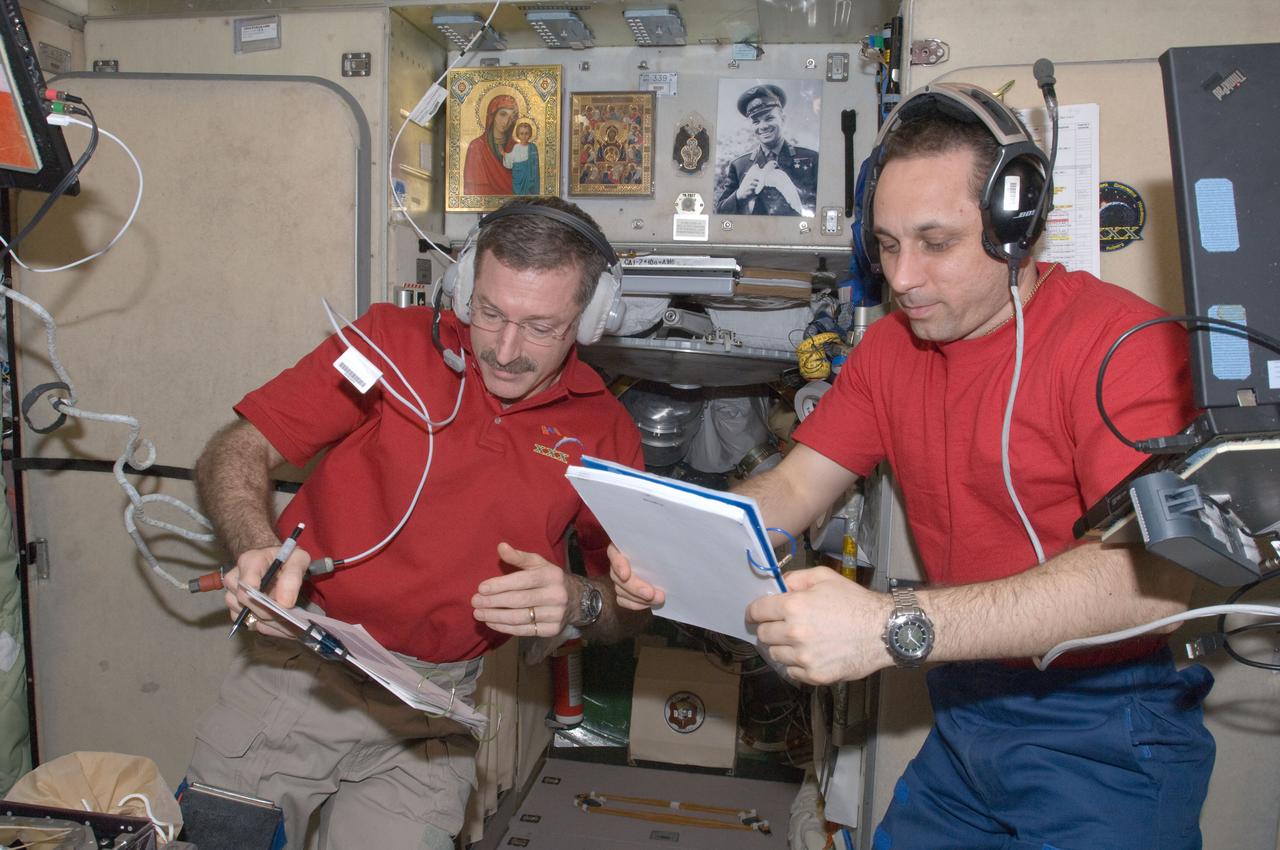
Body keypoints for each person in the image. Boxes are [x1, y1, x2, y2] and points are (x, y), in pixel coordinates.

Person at [614, 82, 1215, 849]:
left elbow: (1155, 584)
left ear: (1015, 228)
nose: (901, 279)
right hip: (967, 706)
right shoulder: (893, 348)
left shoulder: (1122, 345)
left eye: (935, 244)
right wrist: (681, 540)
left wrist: (890, 626)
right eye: (889, 246)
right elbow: (798, 484)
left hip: (1106, 724)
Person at [187, 197, 647, 850]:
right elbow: (237, 448)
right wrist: (257, 546)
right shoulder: (389, 344)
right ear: (462, 289)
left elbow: (632, 606)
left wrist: (583, 598)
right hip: (301, 672)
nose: (507, 350)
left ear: (594, 318)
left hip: (433, 718)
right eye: (490, 313)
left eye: (541, 327)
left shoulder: (605, 430)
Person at [715, 84, 817, 216]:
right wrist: (739, 195)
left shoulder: (811, 159)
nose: (763, 126)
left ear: (783, 119)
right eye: (756, 122)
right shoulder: (739, 165)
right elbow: (720, 212)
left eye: (769, 118)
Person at [463, 93, 517, 196]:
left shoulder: (517, 147)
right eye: (503, 114)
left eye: (512, 117)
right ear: (493, 115)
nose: (506, 121)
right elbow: (472, 188)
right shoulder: (477, 147)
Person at [503, 120, 540, 195]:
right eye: (521, 133)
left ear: (530, 135)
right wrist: (504, 154)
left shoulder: (533, 147)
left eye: (526, 133)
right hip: (518, 177)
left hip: (530, 178)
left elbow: (535, 165)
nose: (524, 136)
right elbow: (511, 160)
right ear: (518, 135)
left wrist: (531, 176)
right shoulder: (516, 147)